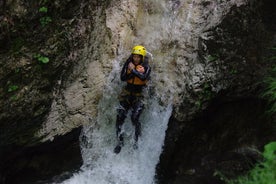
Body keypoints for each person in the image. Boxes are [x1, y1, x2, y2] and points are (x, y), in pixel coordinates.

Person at [114, 45, 151, 154]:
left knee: (134, 118)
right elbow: (123, 78)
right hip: (127, 93)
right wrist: (133, 72)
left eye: (138, 57)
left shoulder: (147, 67)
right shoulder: (128, 63)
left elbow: (143, 78)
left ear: (142, 58)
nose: (135, 59)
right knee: (119, 117)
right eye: (134, 56)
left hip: (139, 95)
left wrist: (133, 71)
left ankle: (137, 140)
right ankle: (120, 142)